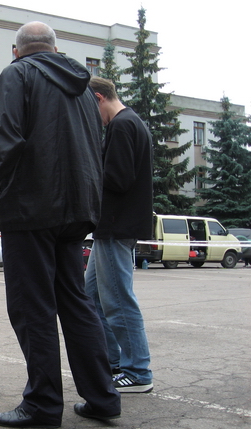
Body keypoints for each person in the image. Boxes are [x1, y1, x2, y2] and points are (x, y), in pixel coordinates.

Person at [0, 21, 121, 427]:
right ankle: (103, 397)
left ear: (17, 51)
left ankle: (43, 405)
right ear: (55, 49)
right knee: (75, 302)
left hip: (31, 208)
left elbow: (2, 139)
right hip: (77, 209)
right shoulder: (84, 89)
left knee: (33, 307)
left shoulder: (17, 75)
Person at [84, 76, 154, 393]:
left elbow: (118, 179)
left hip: (115, 226)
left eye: (89, 107)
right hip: (113, 226)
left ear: (99, 98)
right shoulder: (129, 123)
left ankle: (137, 371)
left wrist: (87, 167)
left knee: (117, 300)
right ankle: (113, 363)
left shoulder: (123, 125)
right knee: (92, 297)